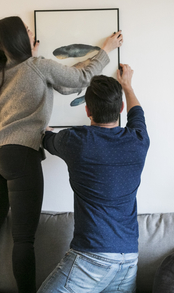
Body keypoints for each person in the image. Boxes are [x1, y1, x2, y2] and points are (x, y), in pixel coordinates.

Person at [0, 16, 123, 293]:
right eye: (28, 30)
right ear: (18, 39)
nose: (32, 33)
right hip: (19, 157)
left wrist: (33, 57)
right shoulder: (37, 67)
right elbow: (81, 78)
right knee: (23, 239)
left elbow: (31, 86)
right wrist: (106, 50)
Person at [39, 64, 150, 293]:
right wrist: (127, 85)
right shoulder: (138, 141)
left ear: (88, 111)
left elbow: (46, 140)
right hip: (128, 258)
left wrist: (46, 132)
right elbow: (137, 114)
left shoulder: (76, 141)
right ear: (120, 108)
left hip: (93, 256)